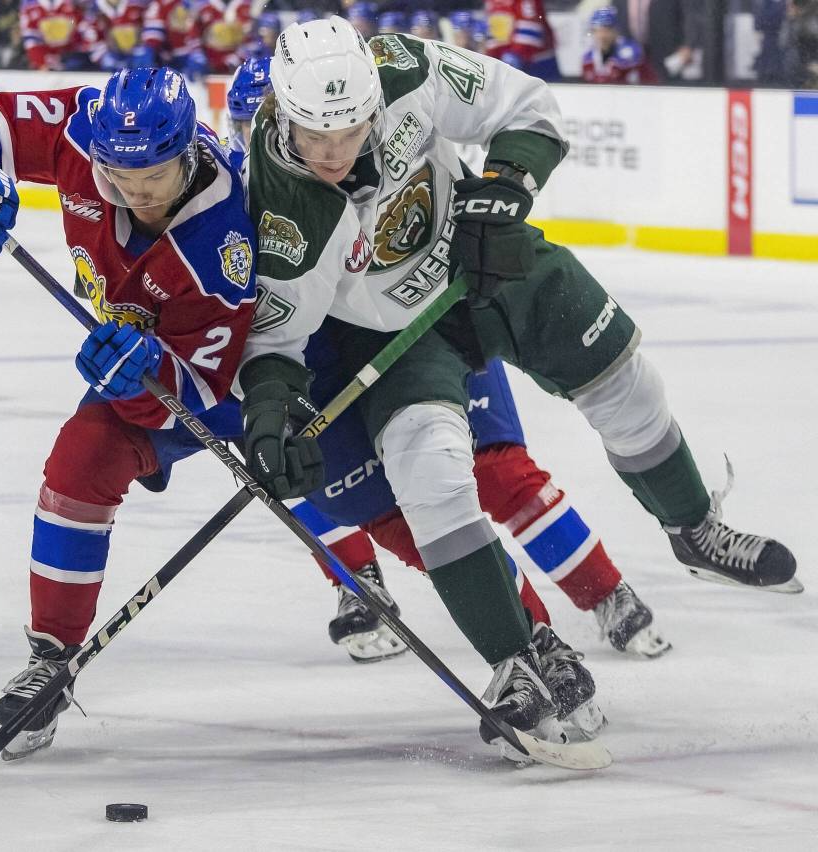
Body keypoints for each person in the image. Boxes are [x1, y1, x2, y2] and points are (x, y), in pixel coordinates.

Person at [237, 16, 799, 753]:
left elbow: (528, 106)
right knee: (430, 470)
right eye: (315, 135)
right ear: (282, 112)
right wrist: (270, 412)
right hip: (391, 335)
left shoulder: (404, 67)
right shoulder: (278, 206)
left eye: (350, 130)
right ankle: (513, 664)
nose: (334, 152)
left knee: (625, 377)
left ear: (375, 97)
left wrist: (503, 188)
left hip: (484, 261)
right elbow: (275, 339)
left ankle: (693, 526)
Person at [226, 54, 669, 663]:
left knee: (499, 467)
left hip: (437, 313)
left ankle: (602, 591)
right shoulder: (250, 191)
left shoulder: (389, 125)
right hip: (337, 354)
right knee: (325, 480)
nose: (327, 153)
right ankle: (364, 587)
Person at [0, 67, 258, 760]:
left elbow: (206, 396)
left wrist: (143, 380)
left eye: (153, 175)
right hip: (143, 365)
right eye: (117, 175)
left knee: (349, 483)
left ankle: (481, 622)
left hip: (238, 385)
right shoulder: (82, 126)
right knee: (79, 461)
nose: (133, 192)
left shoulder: (224, 238)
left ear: (189, 152)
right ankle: (50, 659)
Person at [484, 0, 560, 80]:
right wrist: (492, 56)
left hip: (538, 61)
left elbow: (531, 26)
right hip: (507, 61)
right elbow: (494, 28)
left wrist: (515, 54)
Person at [582, 6, 657, 84]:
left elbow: (650, 82)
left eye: (606, 30)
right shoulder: (588, 58)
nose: (602, 36)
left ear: (615, 30)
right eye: (597, 31)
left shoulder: (632, 52)